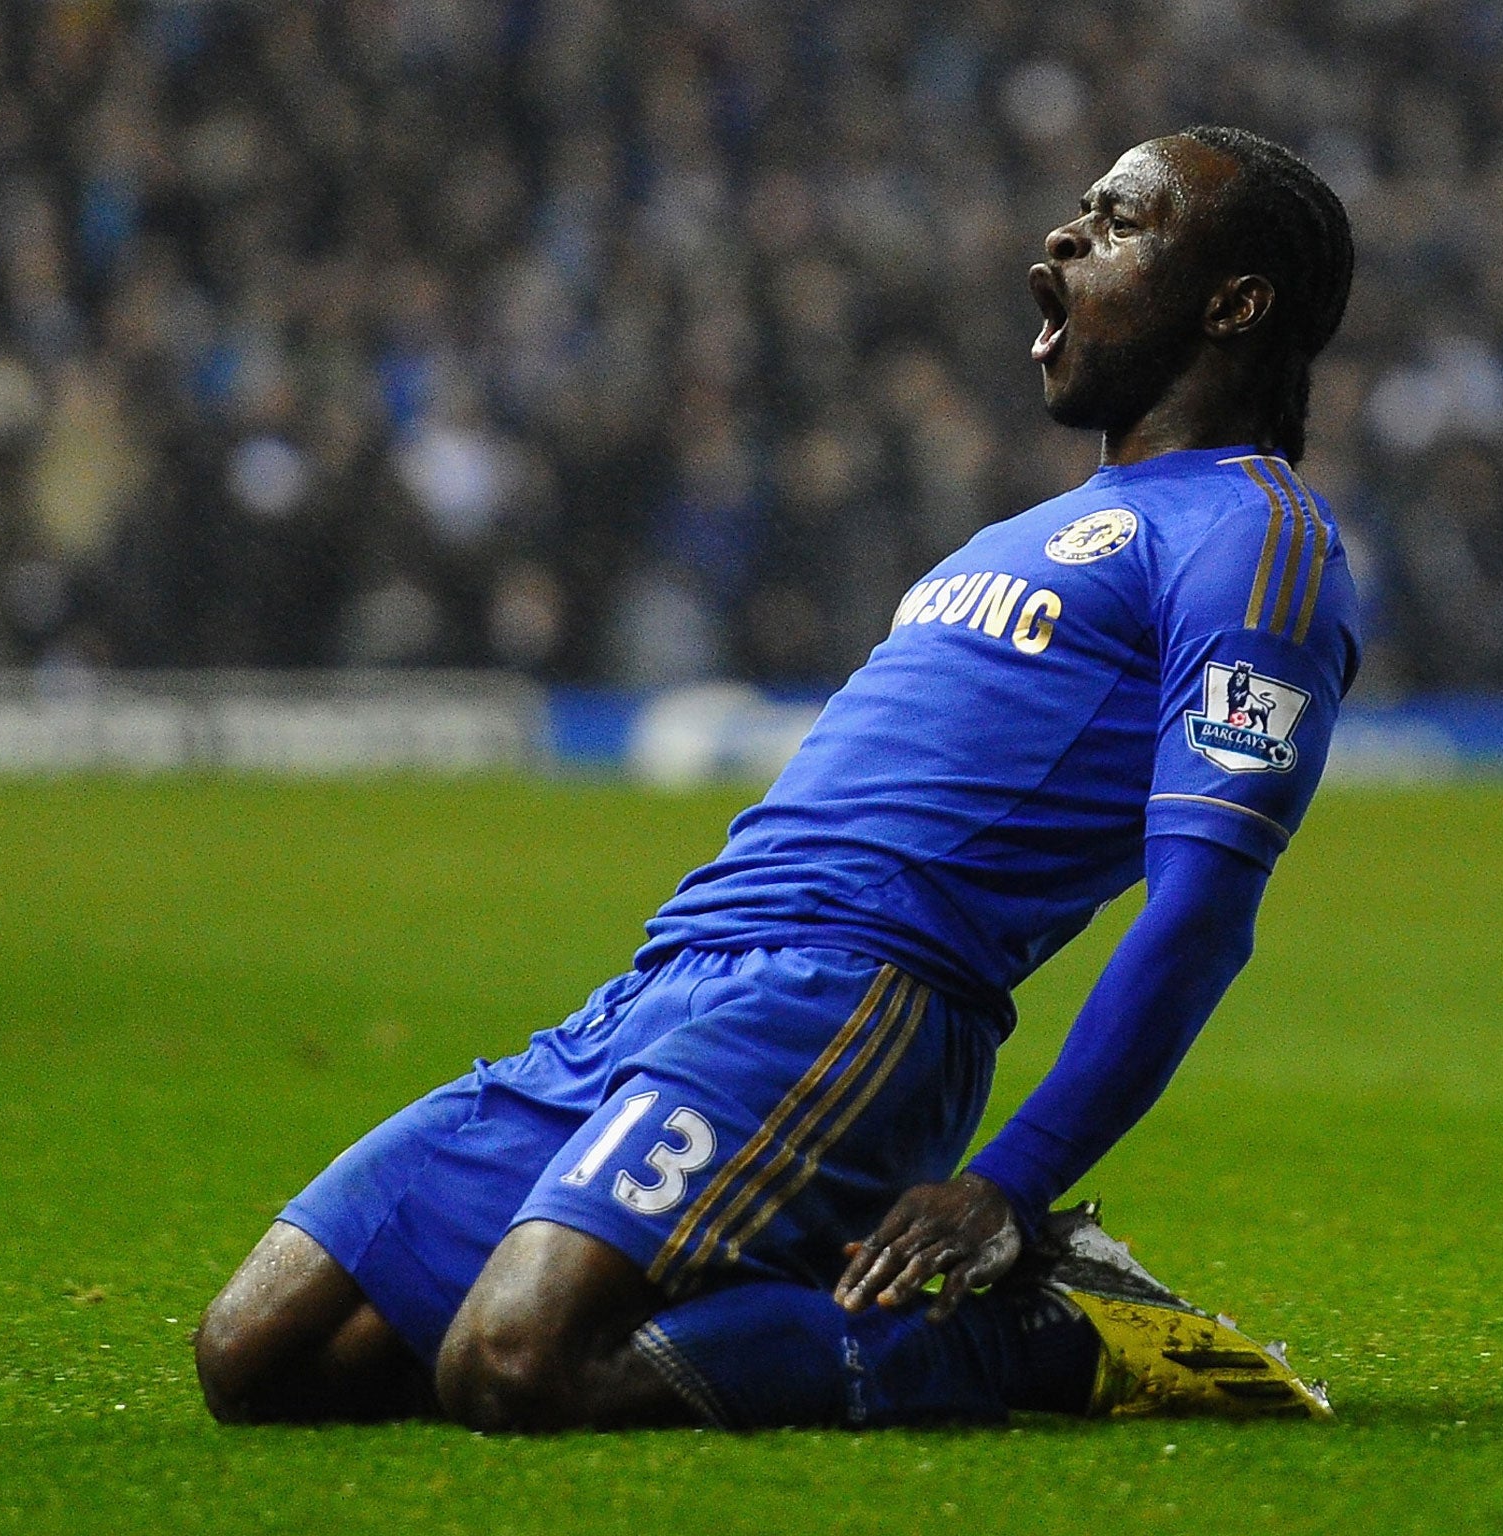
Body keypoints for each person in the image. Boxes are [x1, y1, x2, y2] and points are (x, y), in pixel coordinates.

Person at [194, 125, 1360, 1432]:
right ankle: (794, 1282)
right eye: (1079, 211)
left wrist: (1009, 1185)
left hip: (852, 1001)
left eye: (1121, 221)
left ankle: (1038, 1329)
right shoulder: (1031, 529)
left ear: (1235, 303)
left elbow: (1202, 908)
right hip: (671, 978)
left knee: (519, 1366)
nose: (1064, 240)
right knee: (261, 1354)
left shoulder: (1258, 538)